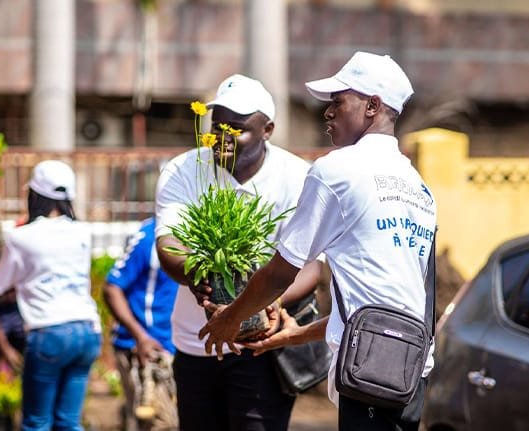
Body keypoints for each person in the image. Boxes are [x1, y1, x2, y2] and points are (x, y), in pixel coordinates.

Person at [200, 51, 437, 431]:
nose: (327, 112)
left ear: (372, 106)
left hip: (370, 373)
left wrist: (231, 317)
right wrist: (296, 336)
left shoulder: (337, 170)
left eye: (338, 101)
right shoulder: (418, 187)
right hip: (409, 372)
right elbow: (384, 303)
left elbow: (280, 274)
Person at [154, 74, 324, 431]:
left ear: (268, 130)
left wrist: (268, 301)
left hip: (263, 345)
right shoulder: (184, 170)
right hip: (197, 340)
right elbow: (169, 243)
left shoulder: (298, 176)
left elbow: (312, 265)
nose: (223, 137)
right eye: (217, 127)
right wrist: (198, 274)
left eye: (237, 129)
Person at [0, 160, 102, 430]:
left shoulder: (21, 237)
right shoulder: (83, 232)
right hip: (87, 330)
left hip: (49, 332)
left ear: (34, 194)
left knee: (37, 423)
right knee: (68, 422)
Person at [103, 217, 180, 430]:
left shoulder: (196, 232)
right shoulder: (149, 237)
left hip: (176, 347)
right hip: (145, 349)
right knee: (160, 423)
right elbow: (112, 288)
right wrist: (141, 337)